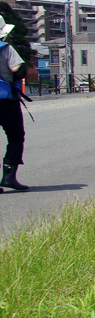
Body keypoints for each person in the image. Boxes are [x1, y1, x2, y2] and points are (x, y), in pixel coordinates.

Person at [0, 23, 30, 192]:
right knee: (15, 137)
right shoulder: (6, 49)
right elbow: (18, 71)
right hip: (6, 101)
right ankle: (9, 177)